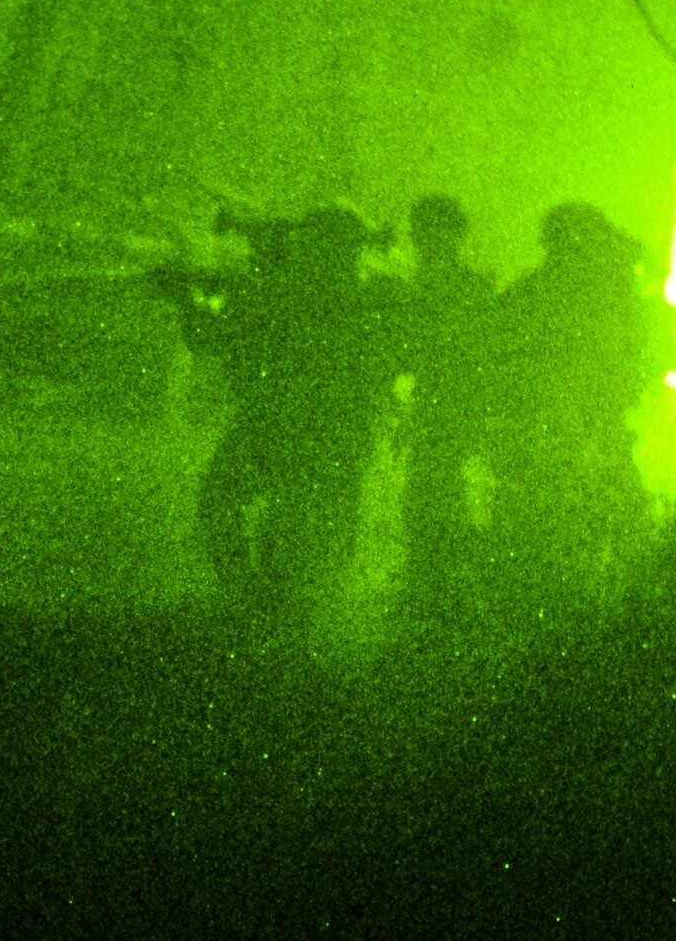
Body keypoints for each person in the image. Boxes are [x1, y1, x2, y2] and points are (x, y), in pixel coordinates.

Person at [151, 203, 392, 621]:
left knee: (225, 504)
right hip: (332, 430)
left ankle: (256, 601)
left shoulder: (287, 290)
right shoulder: (362, 296)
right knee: (309, 528)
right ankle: (295, 611)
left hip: (276, 421)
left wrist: (188, 301)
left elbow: (210, 337)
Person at [482, 203, 654, 612]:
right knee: (595, 533)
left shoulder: (532, 294)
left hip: (550, 440)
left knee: (547, 543)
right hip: (576, 438)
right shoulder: (603, 296)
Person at [384, 195, 494, 609]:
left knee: (432, 494)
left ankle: (436, 586)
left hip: (444, 406)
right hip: (444, 406)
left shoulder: (443, 285)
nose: (421, 240)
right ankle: (439, 583)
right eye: (421, 231)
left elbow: (427, 350)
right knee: (436, 493)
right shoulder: (462, 285)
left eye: (429, 231)